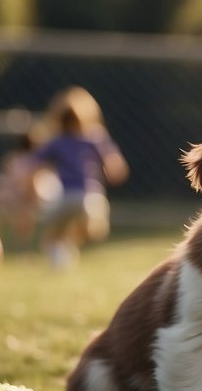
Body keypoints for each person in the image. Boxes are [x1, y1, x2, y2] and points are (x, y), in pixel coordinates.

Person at [29, 87, 129, 268]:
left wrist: (34, 186)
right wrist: (113, 171)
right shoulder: (95, 136)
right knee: (89, 229)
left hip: (65, 197)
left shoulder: (57, 141)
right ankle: (89, 229)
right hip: (91, 197)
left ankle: (60, 262)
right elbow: (115, 164)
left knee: (54, 234)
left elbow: (33, 164)